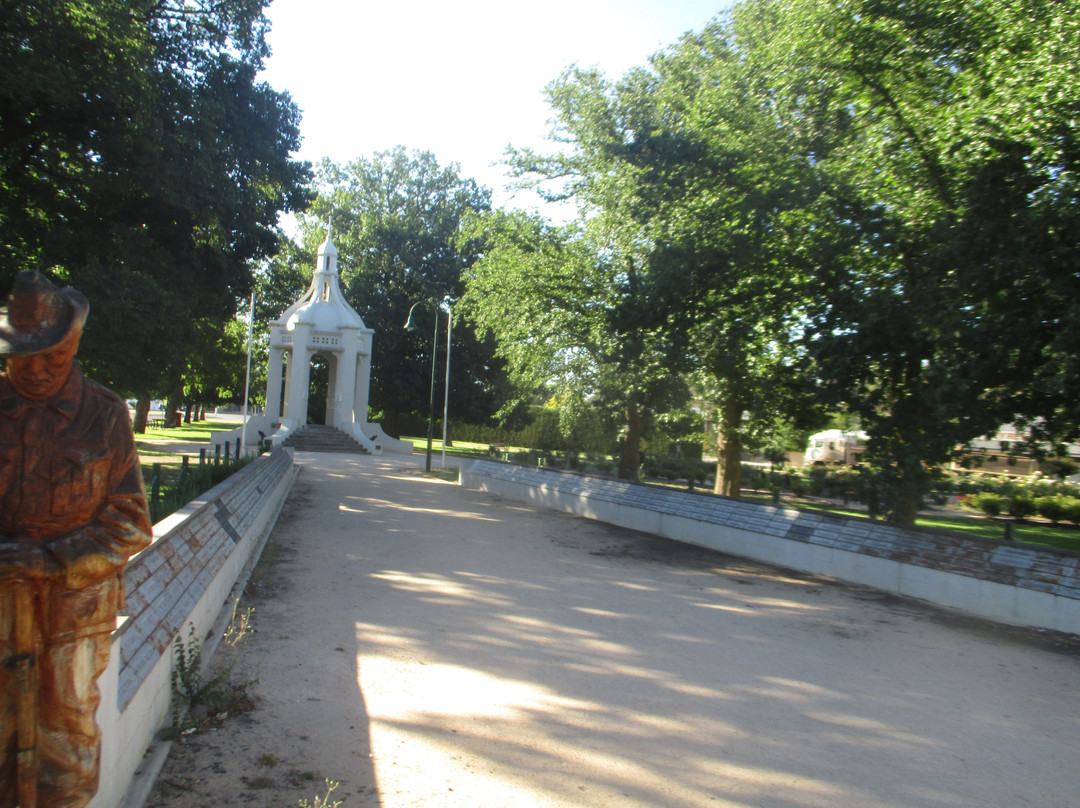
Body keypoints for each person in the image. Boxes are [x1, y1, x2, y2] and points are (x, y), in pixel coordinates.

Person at [0, 271, 152, 808]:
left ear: (75, 344)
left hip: (74, 612)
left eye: (53, 356)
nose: (37, 370)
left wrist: (49, 559)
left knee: (66, 738)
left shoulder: (104, 414)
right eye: (24, 358)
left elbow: (130, 523)